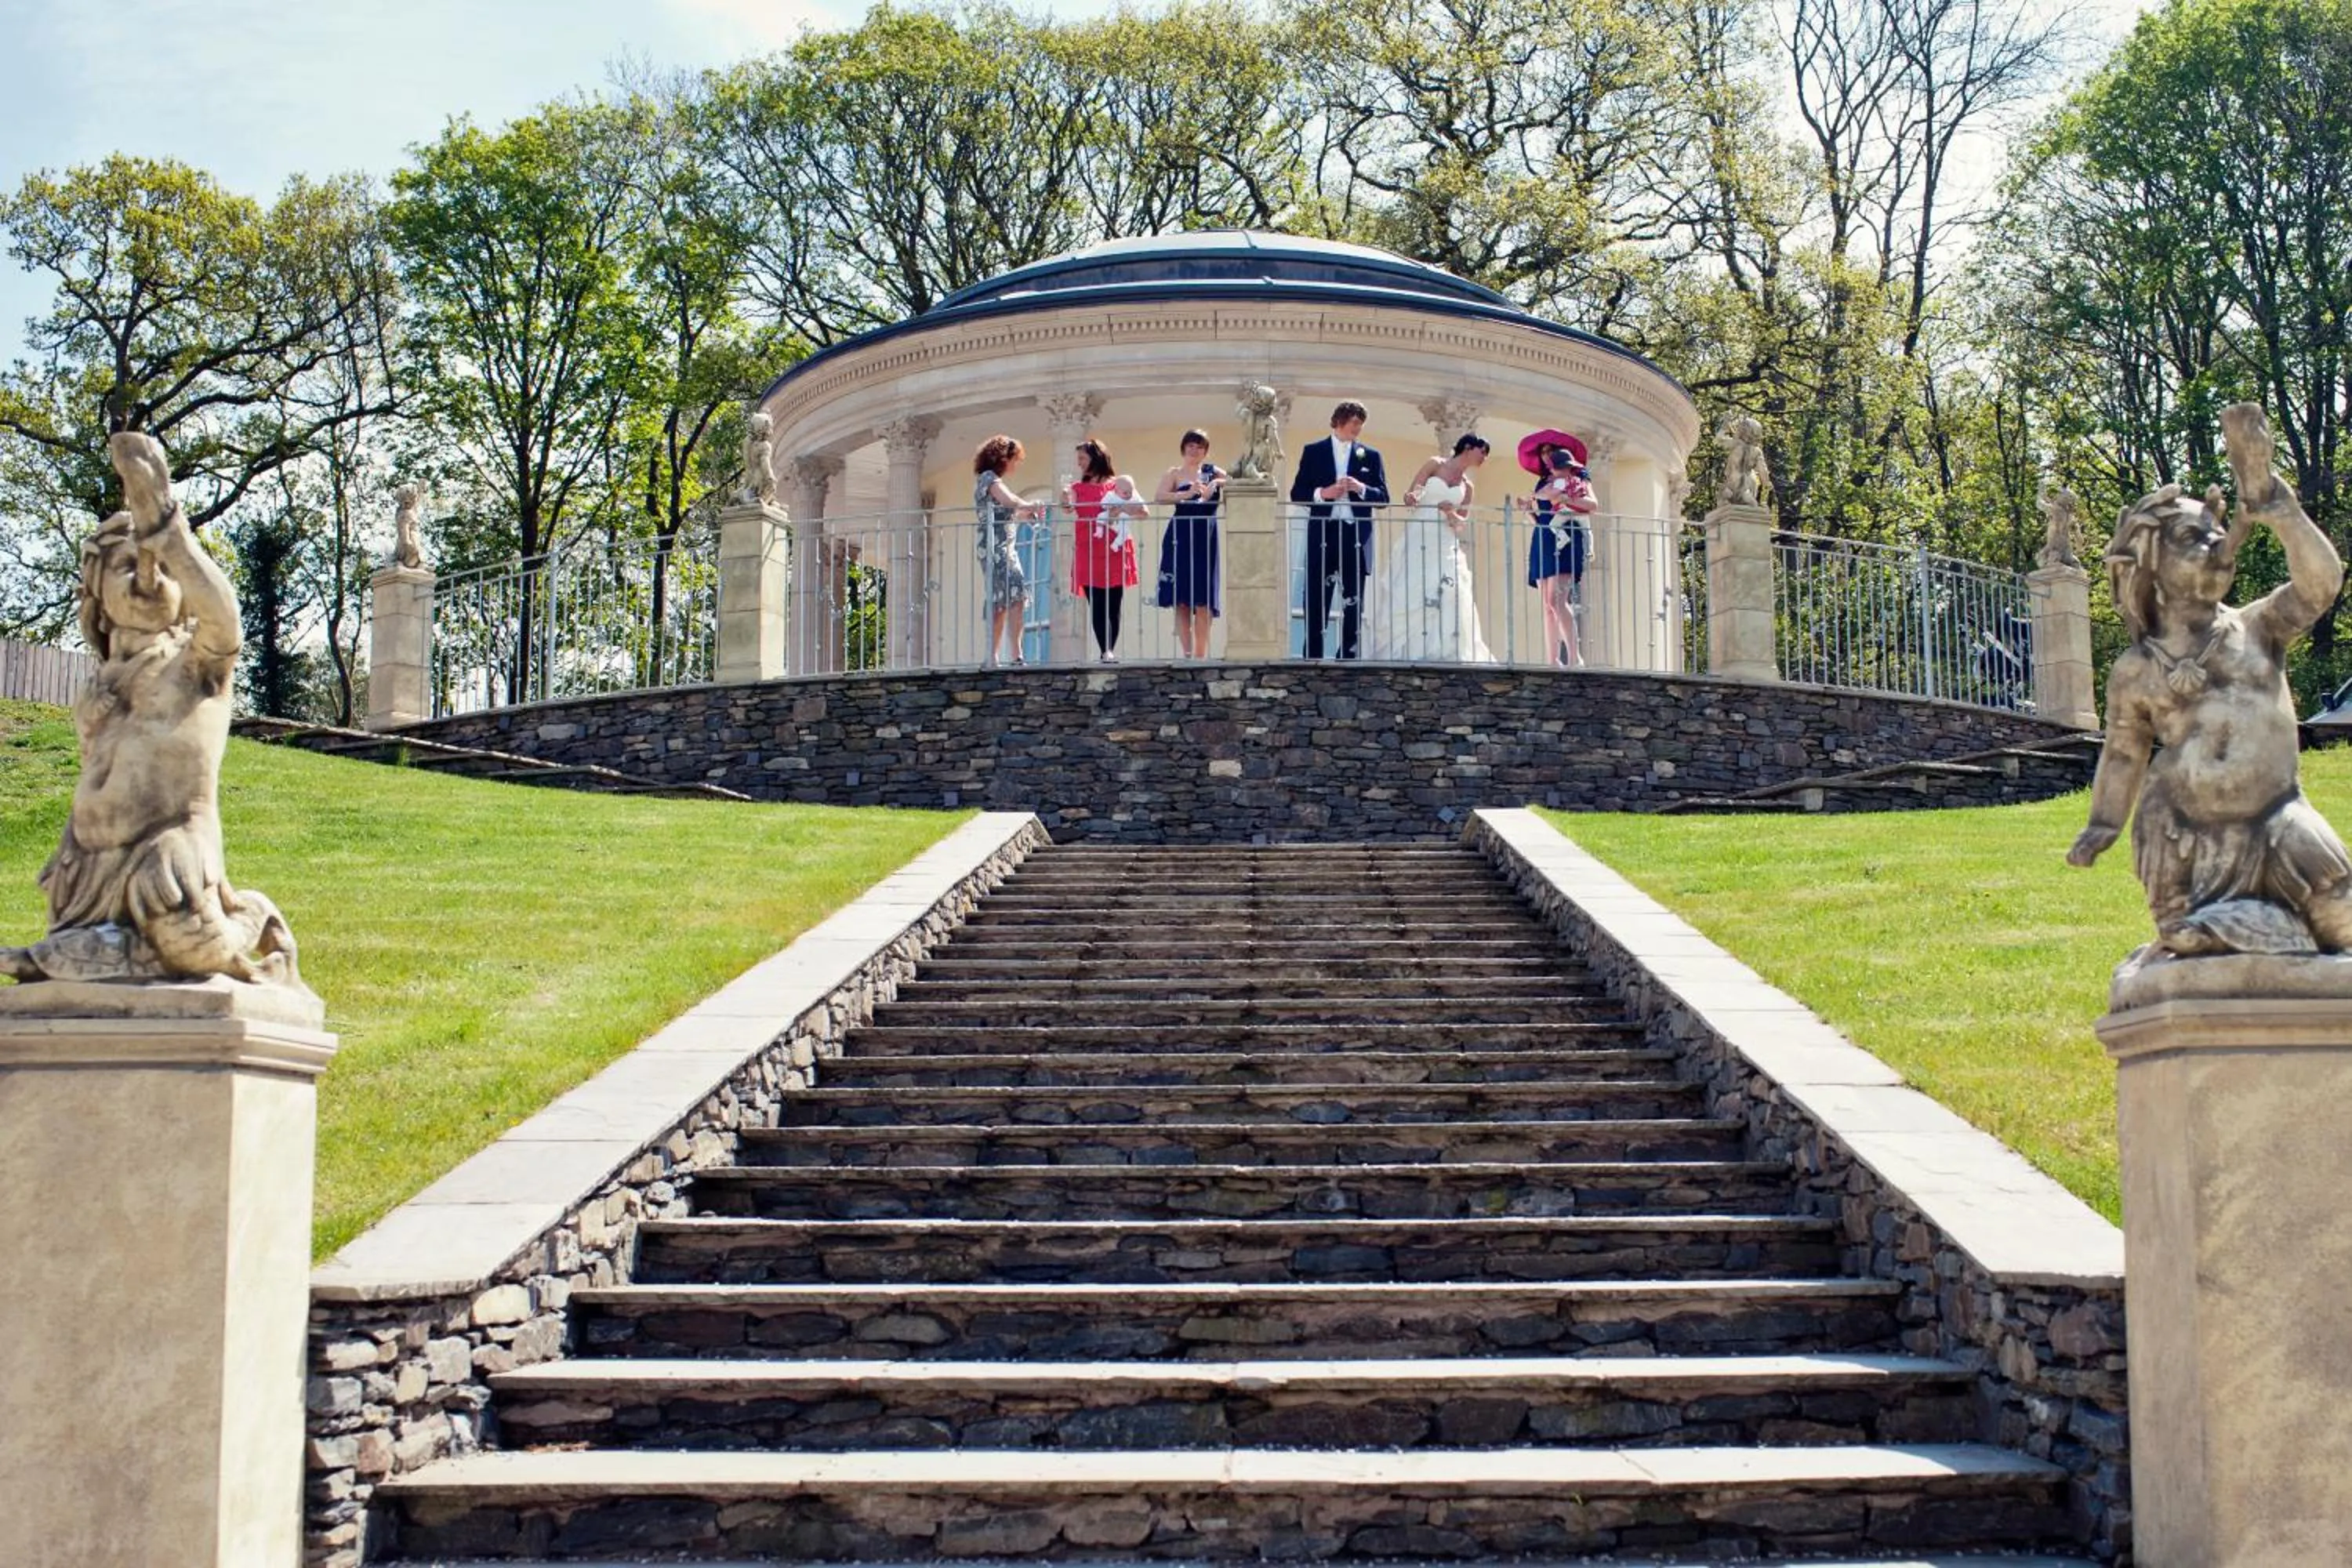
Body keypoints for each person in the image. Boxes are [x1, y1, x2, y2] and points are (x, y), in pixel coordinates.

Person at [2068, 401, 2352, 957]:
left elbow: (2320, 588)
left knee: (2342, 922)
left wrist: (2284, 514)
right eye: (2193, 539)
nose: (2216, 543)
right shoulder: (2139, 669)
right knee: (2188, 935)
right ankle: (2233, 930)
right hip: (2184, 834)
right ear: (2151, 564)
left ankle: (2261, 932)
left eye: (2217, 531)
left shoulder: (2259, 627)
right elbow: (2125, 754)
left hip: (2278, 820)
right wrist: (2103, 823)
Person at [1373, 434, 1494, 662]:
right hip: (1420, 532)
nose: (1485, 457)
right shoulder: (1435, 464)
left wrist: (1451, 512)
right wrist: (1412, 497)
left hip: (1446, 539)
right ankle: (1407, 650)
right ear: (1468, 447)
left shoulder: (1468, 487)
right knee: (1414, 586)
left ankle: (1445, 649)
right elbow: (1413, 493)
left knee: (1449, 591)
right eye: (1483, 451)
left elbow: (1461, 525)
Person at [1290, 400, 1389, 659]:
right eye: (1355, 422)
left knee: (1353, 596)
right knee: (1316, 595)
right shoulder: (1314, 451)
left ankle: (1348, 654)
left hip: (1355, 533)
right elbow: (1297, 493)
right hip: (1324, 531)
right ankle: (1312, 654)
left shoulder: (1371, 455)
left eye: (1361, 424)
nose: (1358, 428)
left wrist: (1361, 489)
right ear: (1340, 421)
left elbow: (1383, 498)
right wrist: (1324, 493)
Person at [1065, 437, 1142, 662]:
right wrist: (1064, 497)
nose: (1079, 463)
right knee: (1096, 603)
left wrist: (1120, 509)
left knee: (1113, 602)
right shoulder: (1076, 487)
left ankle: (1109, 650)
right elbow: (1068, 507)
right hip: (1087, 548)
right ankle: (1105, 651)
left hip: (1113, 546)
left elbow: (1140, 509)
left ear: (1095, 458)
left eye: (1082, 458)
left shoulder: (1117, 484)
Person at [1154, 430, 1225, 659]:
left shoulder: (1212, 471)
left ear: (1205, 451)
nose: (1195, 450)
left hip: (1205, 535)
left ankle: (1200, 655)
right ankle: (1186, 654)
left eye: (1200, 446)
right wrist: (1186, 494)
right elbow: (1160, 496)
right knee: (1182, 599)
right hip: (1181, 535)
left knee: (1203, 599)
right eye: (1191, 445)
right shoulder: (1175, 473)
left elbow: (1239, 480)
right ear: (1184, 448)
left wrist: (1216, 483)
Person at [973, 434, 1041, 668]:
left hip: (1004, 545)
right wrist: (1028, 505)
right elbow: (1009, 501)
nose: (1016, 464)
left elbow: (1008, 509)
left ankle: (1014, 654)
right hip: (995, 546)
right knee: (1001, 598)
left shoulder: (993, 480)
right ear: (1004, 458)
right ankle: (995, 655)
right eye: (1015, 459)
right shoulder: (989, 478)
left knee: (1015, 596)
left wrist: (1026, 512)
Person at [1527, 442, 1597, 667]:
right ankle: (1552, 660)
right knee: (1547, 605)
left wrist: (1566, 499)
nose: (1546, 456)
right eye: (1543, 452)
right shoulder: (1542, 483)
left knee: (1557, 599)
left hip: (1567, 535)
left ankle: (1575, 657)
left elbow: (1592, 504)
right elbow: (1541, 518)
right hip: (1543, 537)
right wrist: (1528, 510)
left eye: (1550, 451)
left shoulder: (1578, 477)